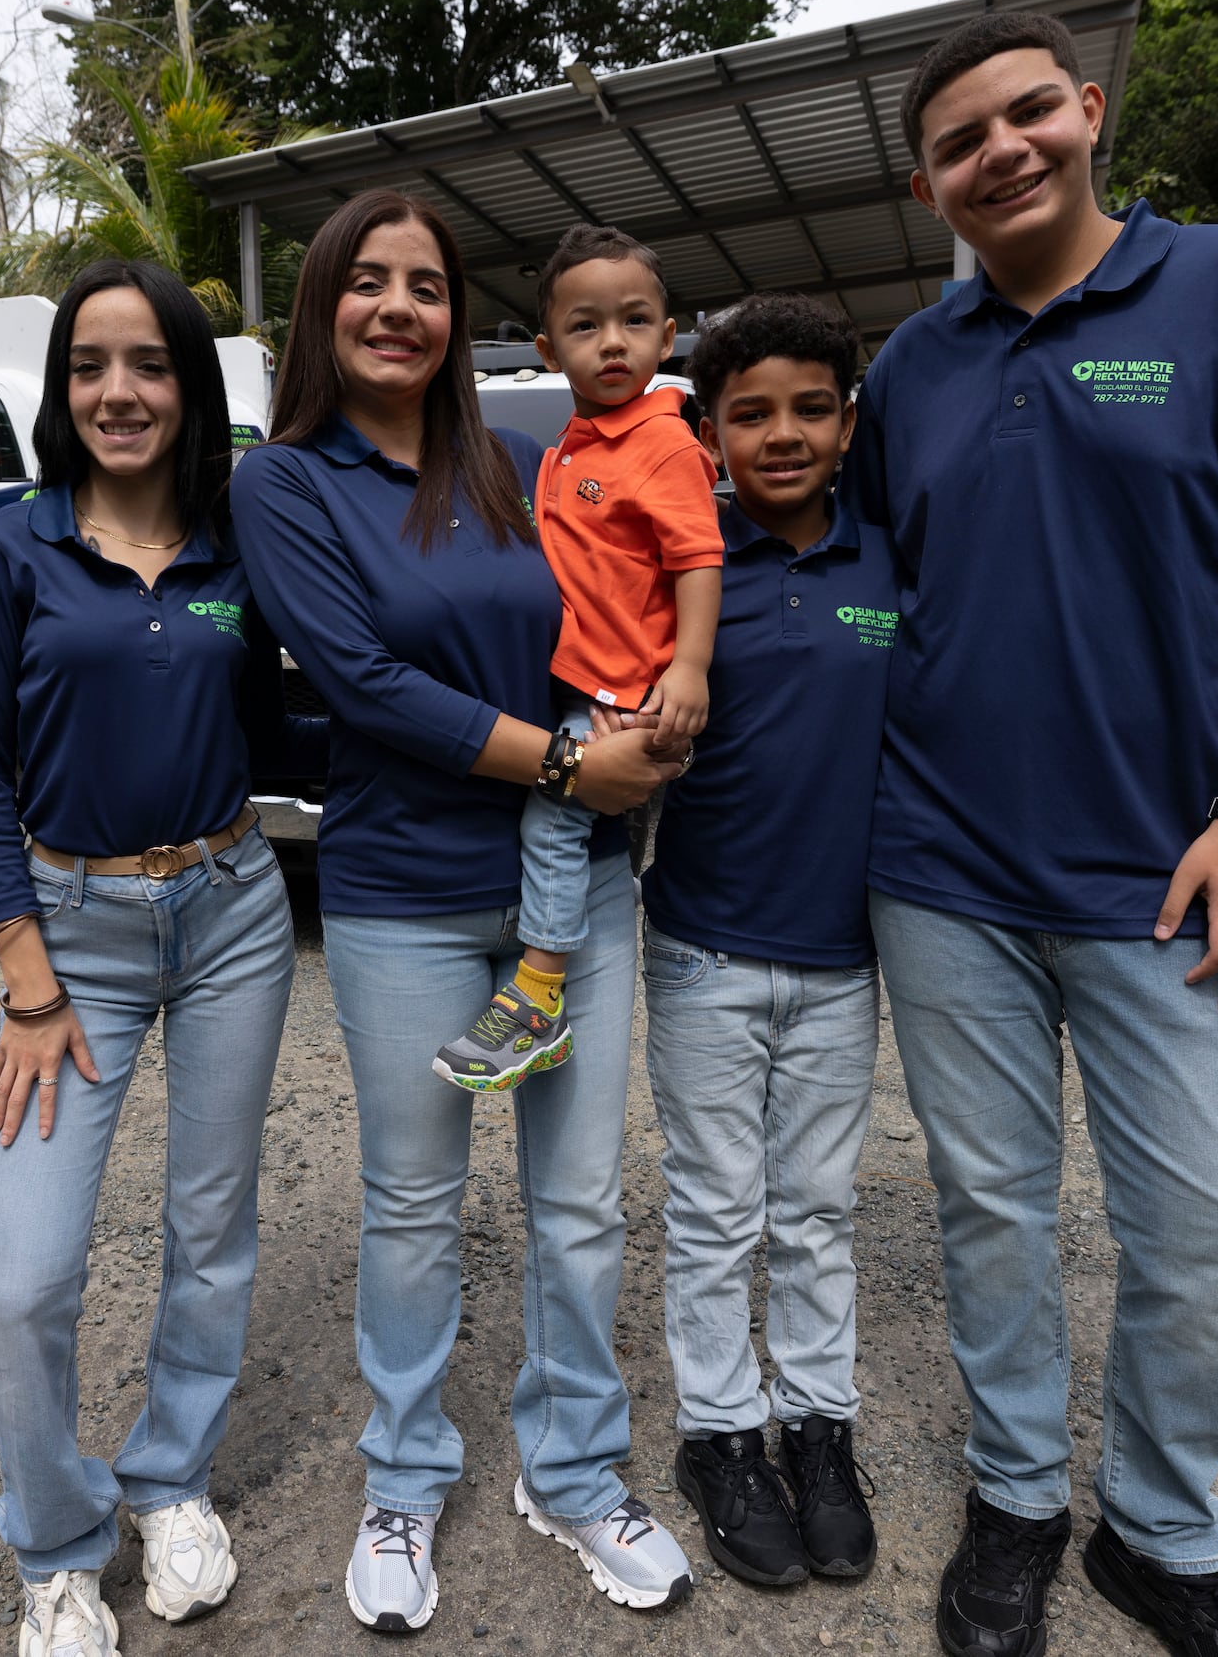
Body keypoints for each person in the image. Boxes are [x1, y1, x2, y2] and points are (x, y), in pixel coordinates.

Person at [844, 12, 1218, 1657]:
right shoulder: (911, 368)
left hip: (1169, 865)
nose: (1000, 153)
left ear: (1086, 111)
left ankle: (1159, 1529)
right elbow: (869, 604)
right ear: (926, 184)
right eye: (959, 142)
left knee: (1209, 1214)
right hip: (943, 872)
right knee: (991, 1209)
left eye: (1025, 116)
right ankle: (1016, 1498)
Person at [231, 190, 697, 1633]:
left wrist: (660, 705)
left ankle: (570, 1471)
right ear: (322, 308)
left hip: (574, 896)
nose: (397, 307)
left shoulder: (517, 459)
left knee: (578, 1209)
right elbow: (363, 684)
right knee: (417, 1208)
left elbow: (625, 604)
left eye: (425, 286)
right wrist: (569, 757)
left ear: (457, 318)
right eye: (365, 281)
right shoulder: (287, 483)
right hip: (405, 899)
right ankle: (404, 1478)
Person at [0, 259, 318, 1657]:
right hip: (75, 940)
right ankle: (55, 1545)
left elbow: (291, 739)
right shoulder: (13, 551)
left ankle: (172, 1478)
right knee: (27, 1276)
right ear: (63, 391)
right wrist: (26, 978)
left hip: (232, 915)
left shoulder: (241, 552)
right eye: (91, 366)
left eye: (149, 364)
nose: (119, 391)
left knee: (210, 1230)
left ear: (190, 388)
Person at [629, 293, 889, 1593]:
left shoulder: (890, 569)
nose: (781, 434)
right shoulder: (687, 575)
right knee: (718, 1210)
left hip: (845, 961)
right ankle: (723, 1439)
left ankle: (821, 1433)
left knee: (820, 1211)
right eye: (750, 414)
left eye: (809, 408)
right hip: (705, 956)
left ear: (848, 423)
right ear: (711, 431)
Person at [430, 223, 722, 1094]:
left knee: (552, 822)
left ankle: (538, 991)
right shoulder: (572, 448)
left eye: (635, 322)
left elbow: (698, 559)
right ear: (548, 348)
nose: (614, 343)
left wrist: (690, 669)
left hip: (623, 685)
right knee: (562, 821)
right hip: (583, 679)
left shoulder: (664, 444)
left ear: (668, 340)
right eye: (588, 327)